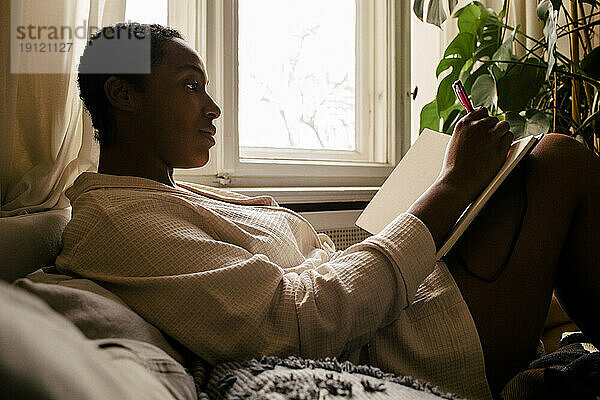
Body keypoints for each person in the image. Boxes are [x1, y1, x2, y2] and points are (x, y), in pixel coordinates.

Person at [58, 23, 600, 399]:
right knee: (559, 161)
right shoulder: (116, 223)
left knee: (527, 170)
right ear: (123, 95)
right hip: (405, 347)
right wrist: (452, 188)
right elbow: (296, 322)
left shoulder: (170, 196)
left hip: (401, 306)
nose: (213, 106)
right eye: (190, 86)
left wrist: (445, 206)